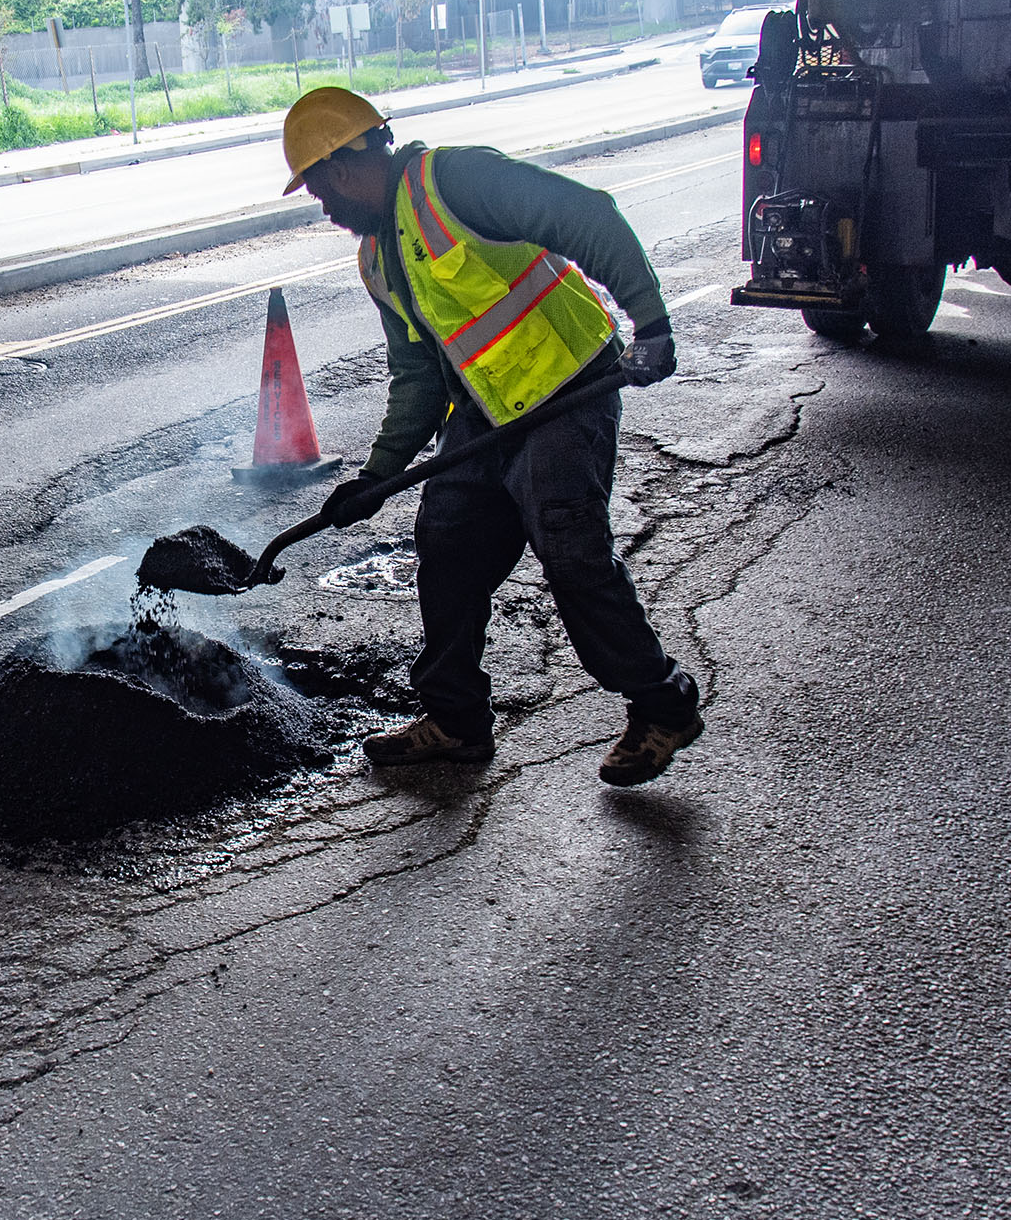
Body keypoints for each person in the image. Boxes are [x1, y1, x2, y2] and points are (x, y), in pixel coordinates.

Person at [281, 85, 702, 787]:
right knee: (446, 541)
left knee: (571, 554)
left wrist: (650, 322)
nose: (324, 208)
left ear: (349, 165)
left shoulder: (454, 182)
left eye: (321, 189)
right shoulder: (379, 259)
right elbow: (417, 375)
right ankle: (456, 721)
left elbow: (586, 215)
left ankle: (664, 703)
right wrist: (376, 476)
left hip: (566, 388)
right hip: (488, 412)